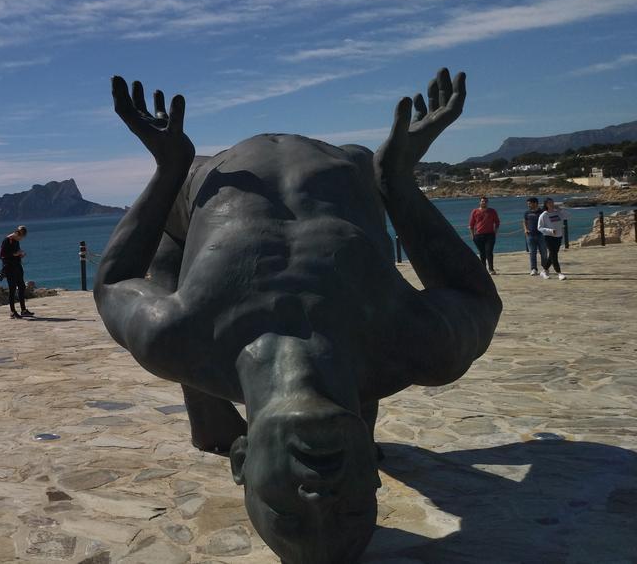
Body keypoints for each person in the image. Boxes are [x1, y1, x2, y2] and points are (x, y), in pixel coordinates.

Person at [94, 68, 500, 563]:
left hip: (208, 178)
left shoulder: (175, 335)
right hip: (345, 169)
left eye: (287, 514)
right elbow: (475, 297)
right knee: (352, 379)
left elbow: (114, 281)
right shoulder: (418, 347)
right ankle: (349, 421)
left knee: (169, 275)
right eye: (350, 512)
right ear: (372, 477)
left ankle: (217, 419)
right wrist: (394, 181)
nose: (318, 496)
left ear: (241, 462)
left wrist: (170, 169)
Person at [0, 225, 32, 318]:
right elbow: (1, 255)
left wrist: (21, 254)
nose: (21, 239)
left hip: (17, 266)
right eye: (21, 237)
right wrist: (14, 254)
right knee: (12, 289)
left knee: (22, 286)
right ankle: (12, 312)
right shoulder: (7, 240)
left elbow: (16, 251)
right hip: (9, 267)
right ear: (17, 233)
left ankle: (23, 310)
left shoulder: (16, 241)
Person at [468, 195, 500, 274]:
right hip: (478, 235)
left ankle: (491, 269)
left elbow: (497, 222)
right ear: (479, 202)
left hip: (490, 235)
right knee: (482, 253)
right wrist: (472, 236)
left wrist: (495, 232)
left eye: (485, 201)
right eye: (482, 201)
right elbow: (471, 225)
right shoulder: (475, 211)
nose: (484, 203)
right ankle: (483, 270)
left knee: (489, 251)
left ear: (487, 202)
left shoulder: (492, 211)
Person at [537, 198, 567, 280]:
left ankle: (544, 270)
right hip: (549, 237)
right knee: (554, 254)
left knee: (552, 255)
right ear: (546, 204)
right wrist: (550, 231)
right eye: (550, 203)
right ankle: (559, 273)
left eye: (552, 202)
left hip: (558, 236)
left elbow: (566, 216)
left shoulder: (558, 212)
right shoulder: (544, 215)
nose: (552, 204)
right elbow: (539, 227)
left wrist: (560, 209)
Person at [521, 197, 547, 276]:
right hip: (530, 235)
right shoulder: (527, 213)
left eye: (530, 203)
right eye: (528, 204)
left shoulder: (542, 212)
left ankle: (545, 268)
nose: (528, 205)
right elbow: (524, 221)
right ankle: (533, 269)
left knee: (544, 252)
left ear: (535, 203)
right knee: (532, 253)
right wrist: (525, 229)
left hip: (541, 235)